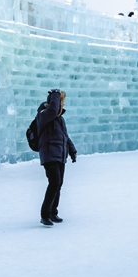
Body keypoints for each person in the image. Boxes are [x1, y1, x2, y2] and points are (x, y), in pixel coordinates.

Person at [36, 89, 77, 226]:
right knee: (54, 183)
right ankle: (45, 214)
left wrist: (72, 150)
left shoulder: (60, 119)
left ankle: (53, 212)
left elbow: (65, 136)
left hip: (60, 154)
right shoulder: (44, 115)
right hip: (49, 154)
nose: (62, 105)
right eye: (61, 102)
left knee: (58, 184)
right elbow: (52, 110)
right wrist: (55, 95)